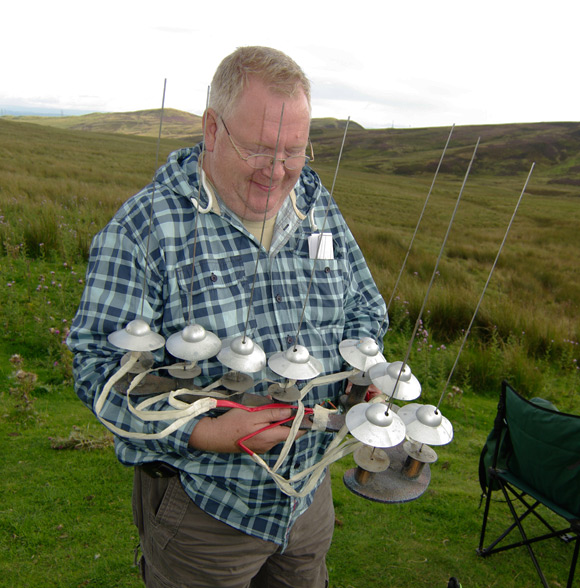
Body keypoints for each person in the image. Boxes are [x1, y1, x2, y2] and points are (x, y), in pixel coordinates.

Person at [67, 46, 387, 588]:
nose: (278, 172)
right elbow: (98, 372)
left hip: (307, 501)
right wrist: (204, 434)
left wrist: (363, 376)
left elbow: (365, 308)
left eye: (294, 152)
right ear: (212, 129)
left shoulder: (317, 206)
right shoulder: (145, 228)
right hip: (204, 512)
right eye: (261, 150)